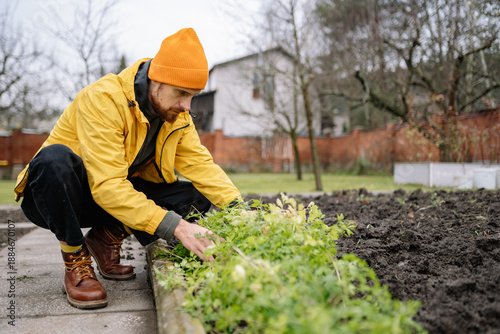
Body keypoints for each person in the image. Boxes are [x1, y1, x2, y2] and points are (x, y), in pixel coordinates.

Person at [13, 28, 241, 309]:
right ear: (157, 79)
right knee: (53, 159)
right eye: (181, 93)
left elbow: (201, 166)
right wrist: (178, 228)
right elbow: (107, 186)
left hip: (110, 198)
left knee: (196, 194)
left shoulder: (176, 116)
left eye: (193, 95)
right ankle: (76, 259)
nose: (187, 105)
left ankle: (105, 238)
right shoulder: (103, 99)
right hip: (58, 195)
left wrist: (243, 211)